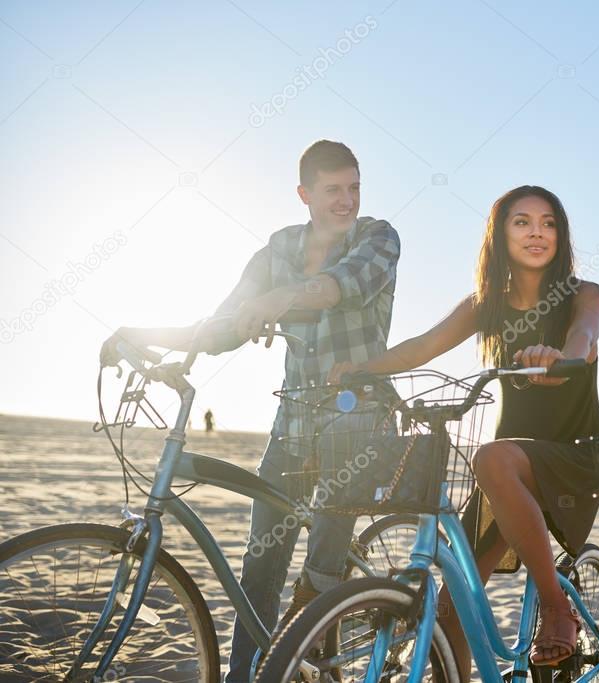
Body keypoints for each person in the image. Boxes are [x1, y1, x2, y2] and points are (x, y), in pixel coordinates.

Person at [99, 140, 400, 682]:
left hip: (358, 425)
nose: (346, 200)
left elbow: (344, 286)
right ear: (304, 194)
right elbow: (224, 324)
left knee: (318, 581)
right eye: (333, 190)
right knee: (260, 566)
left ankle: (317, 635)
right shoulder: (278, 249)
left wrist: (280, 299)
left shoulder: (377, 236)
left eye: (354, 187)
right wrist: (145, 334)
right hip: (294, 427)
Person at [329, 185, 599, 671]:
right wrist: (363, 368)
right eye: (522, 222)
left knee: (490, 456)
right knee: (453, 607)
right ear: (499, 235)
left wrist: (559, 358)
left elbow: (583, 338)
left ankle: (558, 610)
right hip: (507, 471)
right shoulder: (486, 305)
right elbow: (422, 347)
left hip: (570, 456)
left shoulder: (584, 295)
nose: (537, 233)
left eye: (548, 223)